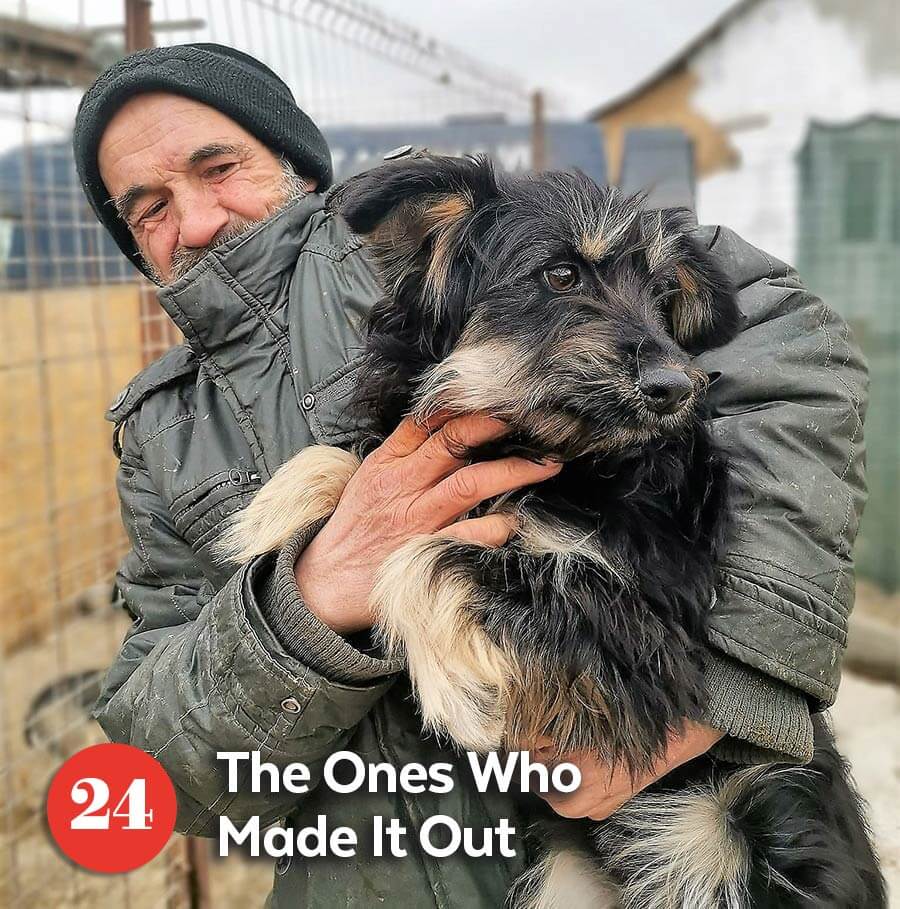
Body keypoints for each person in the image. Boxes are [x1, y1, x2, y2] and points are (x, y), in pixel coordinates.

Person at [74, 43, 867, 907]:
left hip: (708, 823)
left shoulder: (456, 227)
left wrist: (734, 688)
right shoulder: (160, 434)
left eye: (218, 167)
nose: (192, 221)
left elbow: (800, 353)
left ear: (295, 166)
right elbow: (162, 771)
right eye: (147, 206)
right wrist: (309, 598)